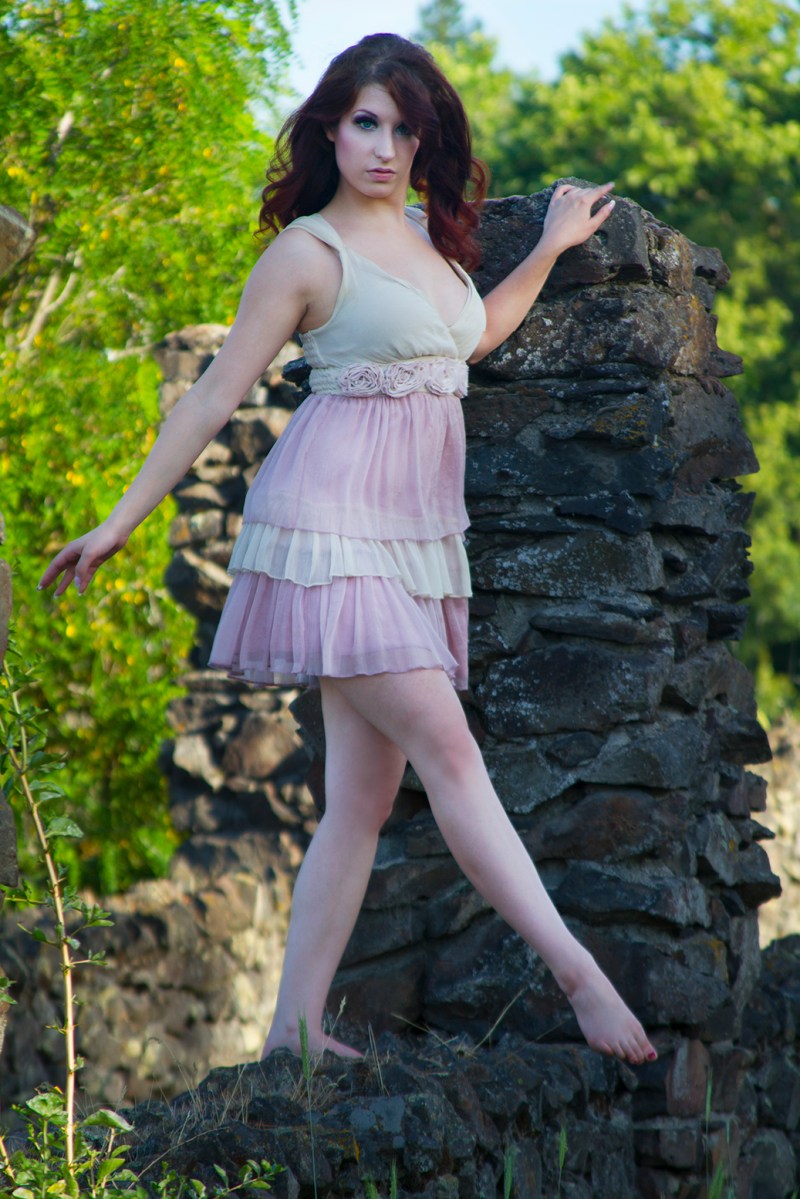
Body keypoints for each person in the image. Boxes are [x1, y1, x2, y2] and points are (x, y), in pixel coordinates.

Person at [40, 33, 658, 1066]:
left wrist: (549, 248)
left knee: (360, 803)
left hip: (410, 538)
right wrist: (119, 520)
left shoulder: (423, 237)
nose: (384, 147)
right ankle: (579, 977)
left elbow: (469, 340)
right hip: (326, 530)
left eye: (405, 129)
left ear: (425, 142)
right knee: (450, 752)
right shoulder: (306, 253)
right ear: (330, 128)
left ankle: (292, 1025)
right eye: (366, 122)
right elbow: (212, 394)